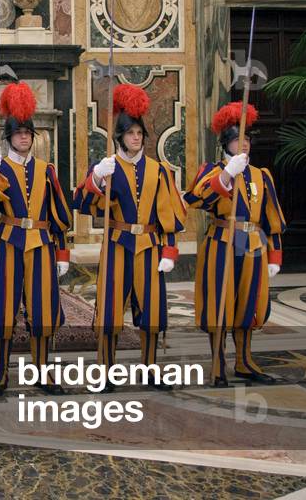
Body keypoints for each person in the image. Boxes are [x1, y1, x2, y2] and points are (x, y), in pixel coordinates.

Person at [0, 82, 73, 395]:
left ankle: (41, 370)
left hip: (40, 244)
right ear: (9, 136)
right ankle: (0, 372)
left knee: (43, 309)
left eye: (28, 133)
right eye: (19, 133)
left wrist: (62, 253)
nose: (24, 137)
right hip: (8, 242)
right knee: (3, 308)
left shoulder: (46, 170)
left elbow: (59, 216)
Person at [74, 84, 186, 391]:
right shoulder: (108, 168)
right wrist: (97, 178)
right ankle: (106, 371)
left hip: (150, 247)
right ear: (119, 136)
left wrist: (170, 251)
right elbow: (83, 204)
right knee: (110, 311)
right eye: (130, 133)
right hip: (117, 246)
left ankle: (150, 368)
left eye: (139, 133)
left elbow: (171, 215)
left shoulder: (159, 170)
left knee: (151, 312)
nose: (135, 138)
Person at [184, 102, 285, 386]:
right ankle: (217, 362)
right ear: (225, 144)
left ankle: (245, 360)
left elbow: (272, 218)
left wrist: (275, 254)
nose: (244, 146)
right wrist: (227, 174)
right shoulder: (212, 170)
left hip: (252, 242)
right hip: (222, 240)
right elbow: (196, 199)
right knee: (220, 302)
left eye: (247, 140)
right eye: (237, 141)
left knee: (248, 303)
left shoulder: (261, 175)